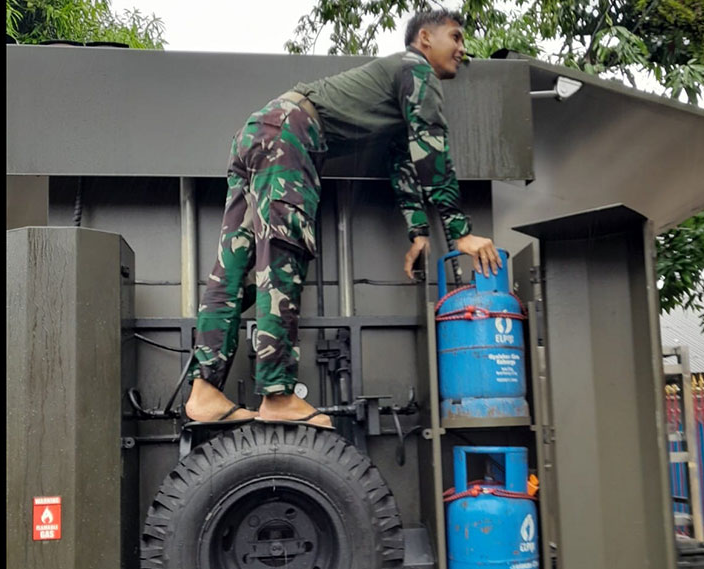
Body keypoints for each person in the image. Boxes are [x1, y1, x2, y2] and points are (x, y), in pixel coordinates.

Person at [184, 9, 502, 428]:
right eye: (456, 37)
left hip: (259, 132)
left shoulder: (395, 84)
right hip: (290, 136)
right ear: (425, 38)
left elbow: (402, 159)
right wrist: (459, 232)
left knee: (234, 266)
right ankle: (277, 395)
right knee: (282, 255)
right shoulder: (415, 69)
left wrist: (419, 231)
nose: (463, 49)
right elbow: (433, 147)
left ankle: (204, 392)